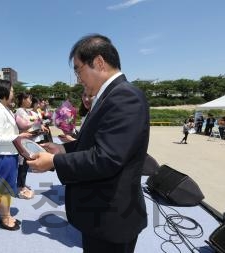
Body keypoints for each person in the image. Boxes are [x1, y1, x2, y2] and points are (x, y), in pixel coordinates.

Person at [27, 34, 149, 253]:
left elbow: (107, 158)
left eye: (78, 69)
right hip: (100, 212)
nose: (77, 77)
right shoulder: (109, 96)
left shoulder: (124, 97)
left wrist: (54, 161)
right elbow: (95, 142)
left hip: (111, 217)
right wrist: (63, 148)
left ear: (99, 62)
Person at [0, 82, 33, 230]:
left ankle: (5, 215)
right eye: (12, 91)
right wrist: (18, 136)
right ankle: (5, 219)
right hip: (3, 156)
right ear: (4, 93)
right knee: (3, 189)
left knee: (6, 188)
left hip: (8, 154)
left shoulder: (4, 109)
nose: (13, 94)